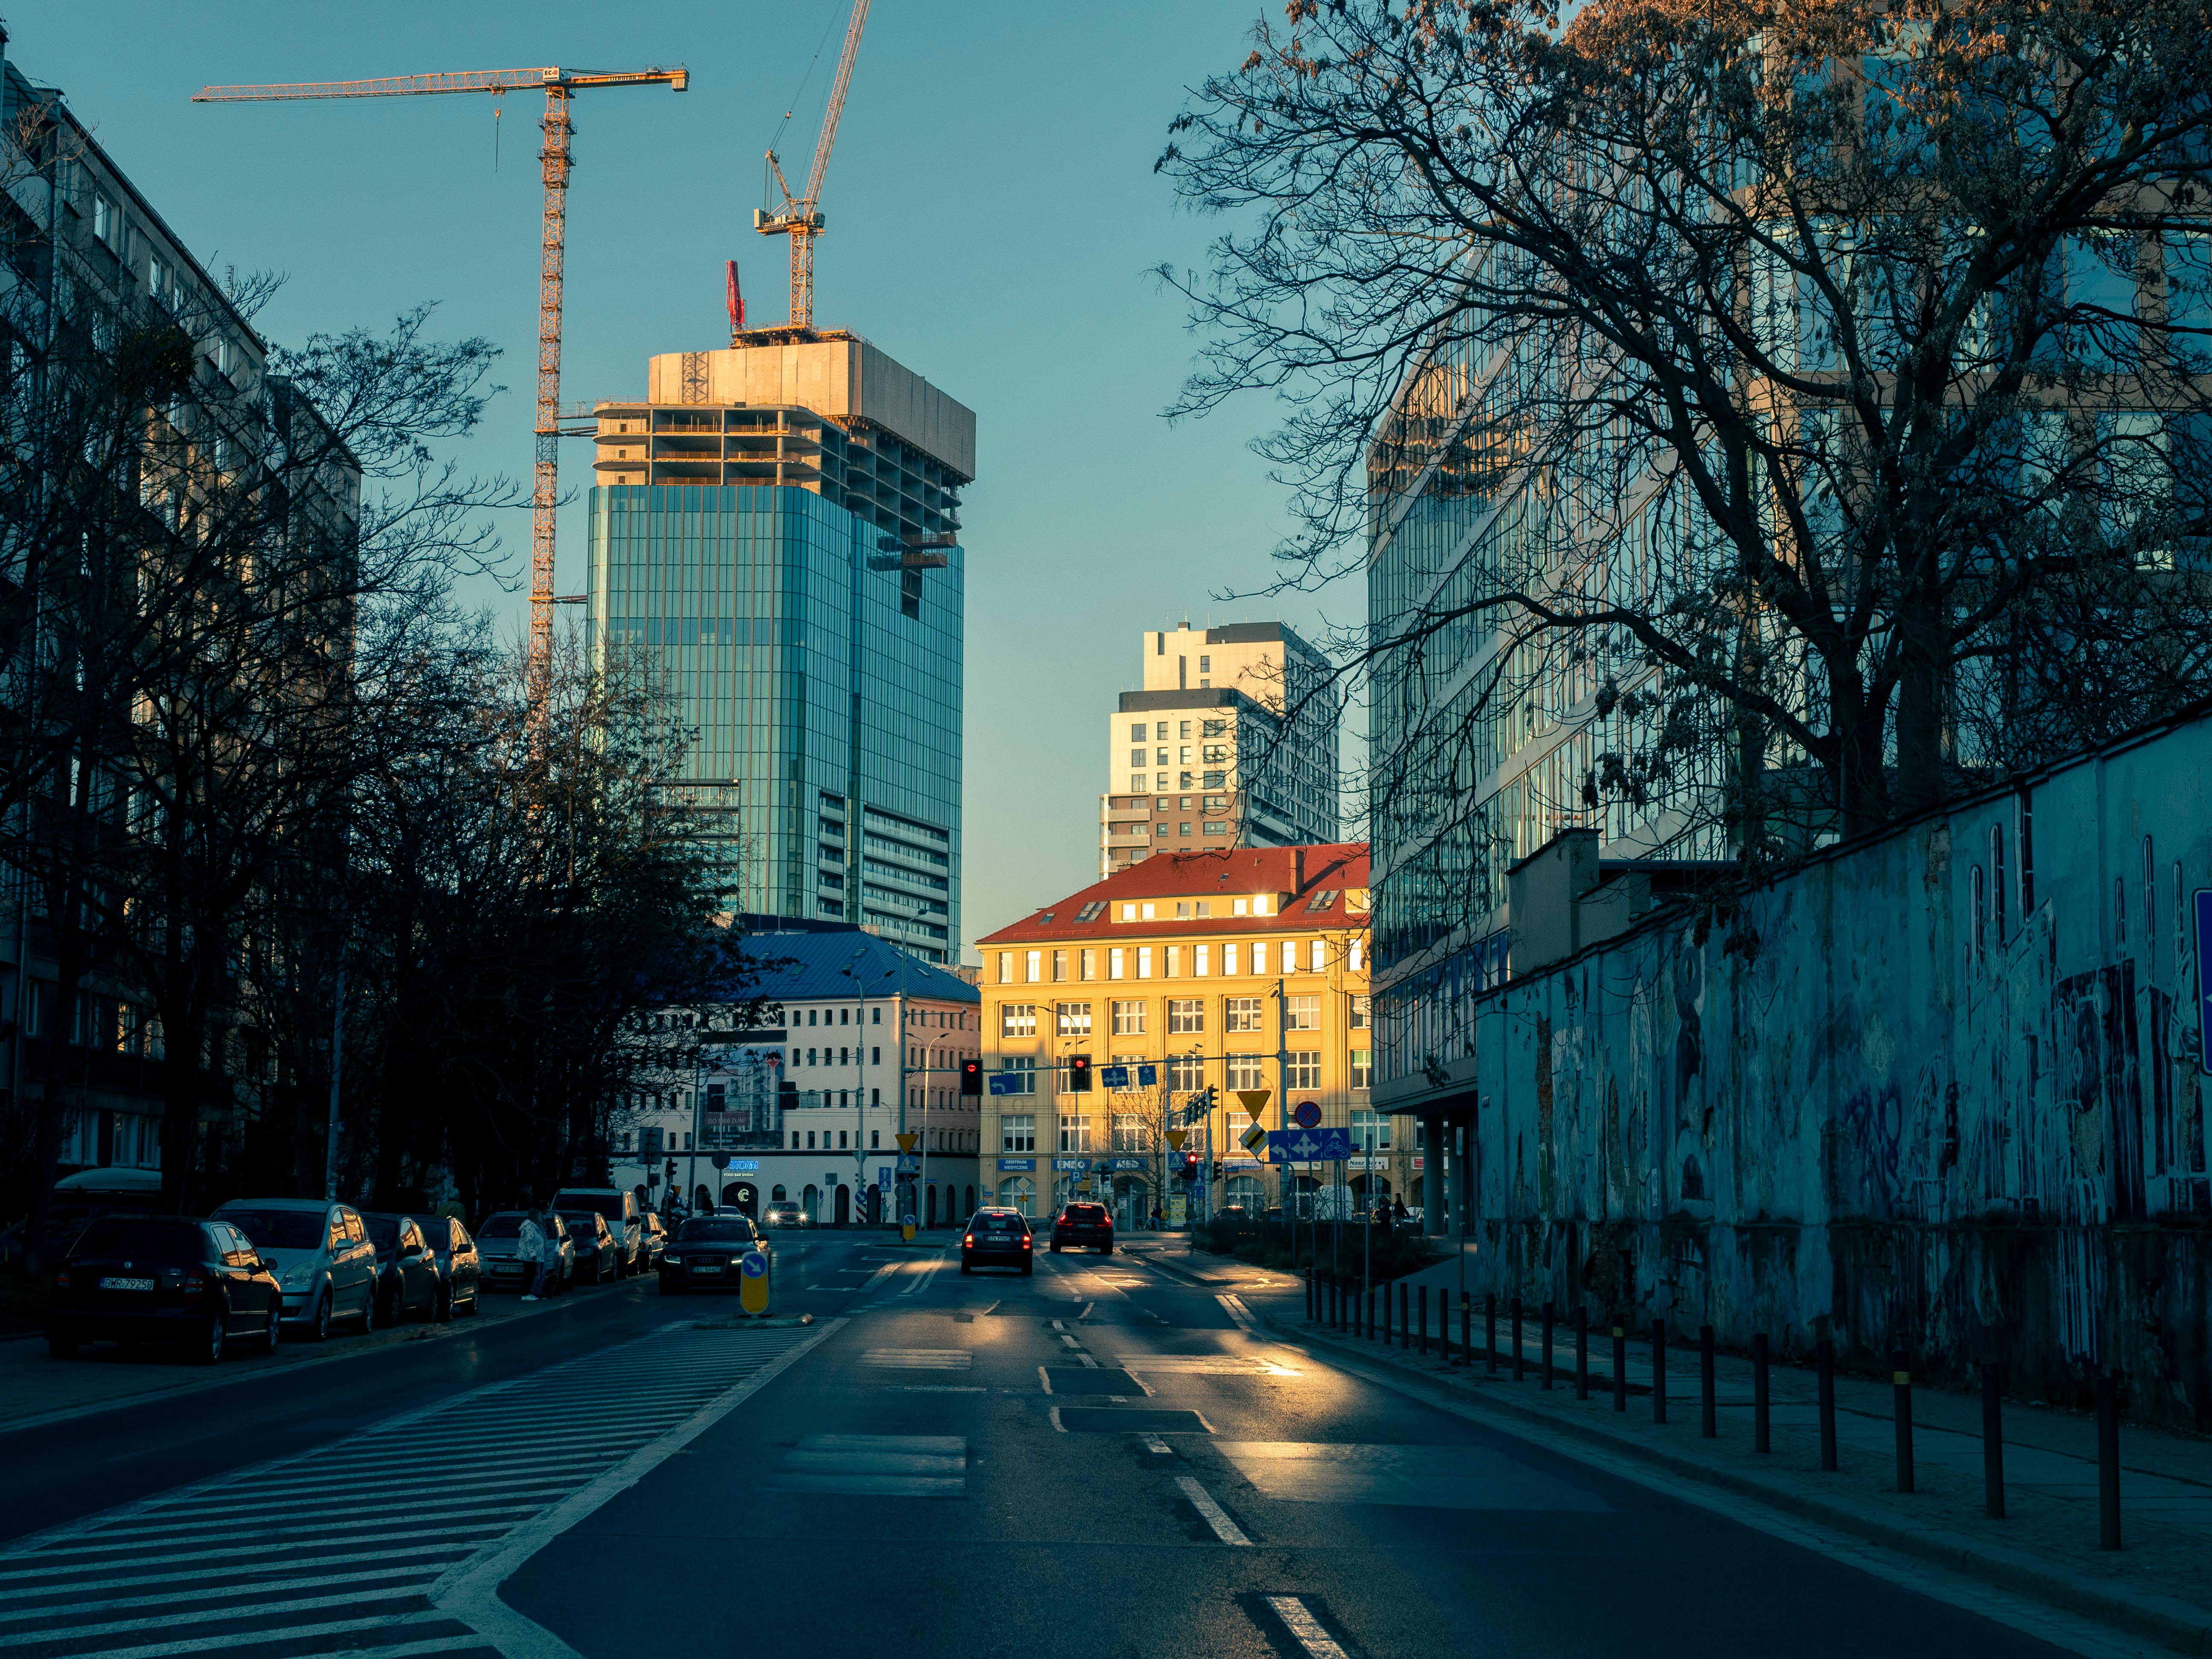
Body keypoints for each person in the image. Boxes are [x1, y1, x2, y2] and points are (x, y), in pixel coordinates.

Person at [518, 1209, 550, 1301]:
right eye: (539, 1216)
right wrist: (533, 1254)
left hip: (532, 1256)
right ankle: (526, 1294)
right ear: (536, 1217)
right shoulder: (530, 1228)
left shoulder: (533, 1227)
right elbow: (530, 1242)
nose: (540, 1218)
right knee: (530, 1275)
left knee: (531, 1274)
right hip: (529, 1257)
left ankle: (530, 1294)